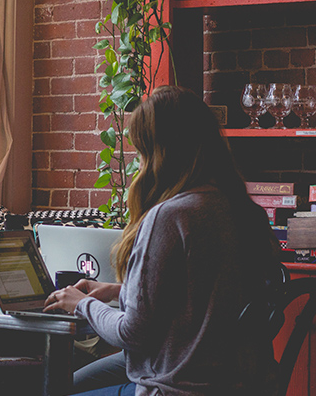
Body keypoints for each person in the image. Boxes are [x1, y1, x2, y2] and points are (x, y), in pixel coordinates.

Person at [44, 86, 282, 395]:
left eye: (142, 151)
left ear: (160, 153)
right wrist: (118, 291)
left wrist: (81, 304)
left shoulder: (171, 217)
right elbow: (205, 295)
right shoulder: (243, 210)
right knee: (70, 383)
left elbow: (132, 333)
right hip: (237, 380)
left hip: (178, 383)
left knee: (54, 388)